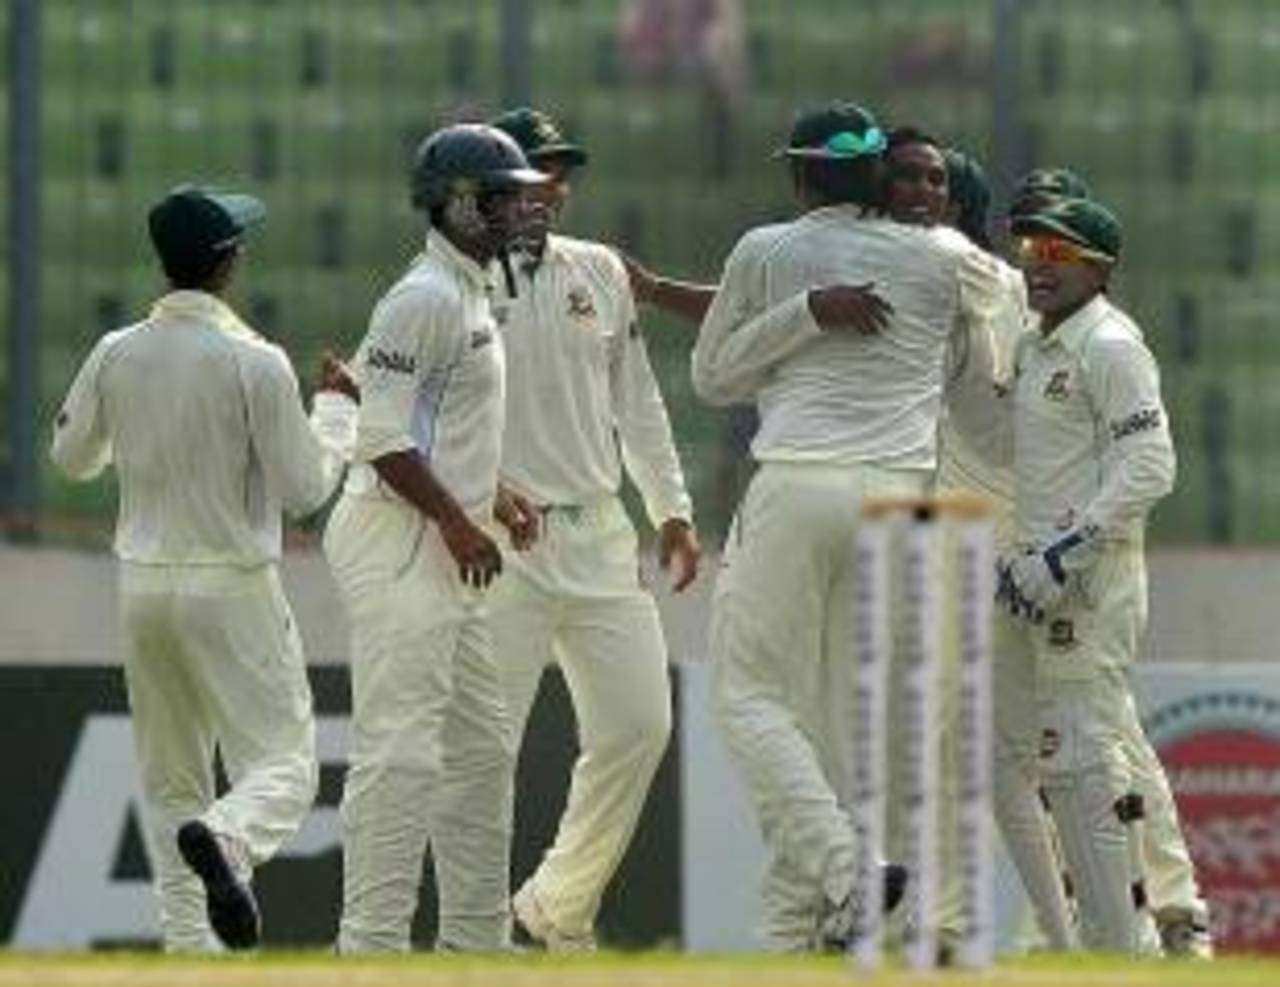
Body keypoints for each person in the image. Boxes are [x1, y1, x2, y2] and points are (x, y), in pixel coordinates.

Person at [691, 102, 1017, 951]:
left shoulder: (766, 249)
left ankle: (847, 873)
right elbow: (1013, 293)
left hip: (801, 483)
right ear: (877, 172)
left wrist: (806, 310)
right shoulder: (949, 257)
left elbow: (715, 377)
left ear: (798, 173)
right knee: (844, 726)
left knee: (749, 697)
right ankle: (800, 934)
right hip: (902, 504)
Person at [49, 184, 358, 952]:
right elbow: (307, 490)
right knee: (286, 766)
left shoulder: (116, 351)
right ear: (229, 262)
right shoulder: (255, 359)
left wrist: (148, 433)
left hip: (145, 584)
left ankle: (190, 949)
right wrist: (340, 415)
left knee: (169, 781)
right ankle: (228, 834)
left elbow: (71, 458)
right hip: (232, 582)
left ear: (163, 264)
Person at [326, 123, 546, 953]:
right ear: (455, 203)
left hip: (443, 535)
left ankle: (473, 949)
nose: (518, 208)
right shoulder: (423, 295)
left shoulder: (467, 290)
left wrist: (497, 492)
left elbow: (434, 423)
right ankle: (371, 949)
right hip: (400, 538)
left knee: (482, 746)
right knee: (400, 745)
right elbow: (382, 438)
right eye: (501, 196)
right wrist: (457, 519)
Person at [486, 107, 702, 951]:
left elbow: (639, 402)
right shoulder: (454, 278)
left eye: (559, 174)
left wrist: (672, 508)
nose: (550, 187)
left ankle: (553, 907)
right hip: (502, 542)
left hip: (600, 536)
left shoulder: (602, 271)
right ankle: (476, 929)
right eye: (533, 172)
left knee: (638, 726)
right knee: (485, 743)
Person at [879, 133, 1078, 954]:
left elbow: (991, 431)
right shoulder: (1016, 299)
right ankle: (1030, 933)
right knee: (996, 756)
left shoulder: (955, 274)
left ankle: (937, 925)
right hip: (999, 532)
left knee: (966, 744)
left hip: (985, 538)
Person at [1005, 169, 1212, 959]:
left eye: (1059, 250)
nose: (1037, 262)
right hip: (1050, 577)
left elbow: (1151, 464)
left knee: (1081, 752)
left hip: (1092, 578)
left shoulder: (1111, 343)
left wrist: (1062, 554)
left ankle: (1115, 944)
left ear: (1101, 269)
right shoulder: (1038, 341)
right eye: (1030, 246)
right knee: (1106, 744)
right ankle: (1166, 922)